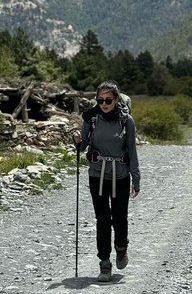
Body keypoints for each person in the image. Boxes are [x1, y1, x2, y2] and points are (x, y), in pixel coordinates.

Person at [73, 81, 140, 282]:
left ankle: (121, 248)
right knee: (102, 220)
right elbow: (83, 145)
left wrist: (136, 178)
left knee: (119, 218)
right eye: (100, 100)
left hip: (120, 175)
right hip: (97, 175)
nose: (104, 103)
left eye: (108, 100)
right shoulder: (91, 118)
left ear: (116, 100)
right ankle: (104, 264)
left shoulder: (126, 121)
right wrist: (77, 141)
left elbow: (132, 151)